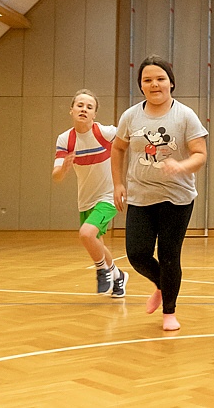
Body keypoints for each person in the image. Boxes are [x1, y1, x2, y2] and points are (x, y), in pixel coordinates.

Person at [111, 55, 208, 332]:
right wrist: (118, 183)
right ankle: (161, 285)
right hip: (140, 196)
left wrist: (181, 165)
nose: (154, 84)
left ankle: (169, 312)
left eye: (160, 79)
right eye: (147, 80)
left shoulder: (185, 115)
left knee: (168, 256)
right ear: (141, 86)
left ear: (171, 83)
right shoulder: (131, 116)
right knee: (137, 254)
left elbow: (200, 155)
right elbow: (117, 149)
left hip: (177, 198)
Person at [53, 89, 128, 298]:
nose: (84, 109)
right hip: (85, 200)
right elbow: (56, 176)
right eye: (80, 105)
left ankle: (102, 270)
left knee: (86, 234)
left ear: (94, 114)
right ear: (71, 110)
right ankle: (118, 276)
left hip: (109, 196)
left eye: (89, 107)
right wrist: (63, 169)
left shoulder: (104, 133)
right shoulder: (65, 139)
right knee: (96, 242)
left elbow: (128, 135)